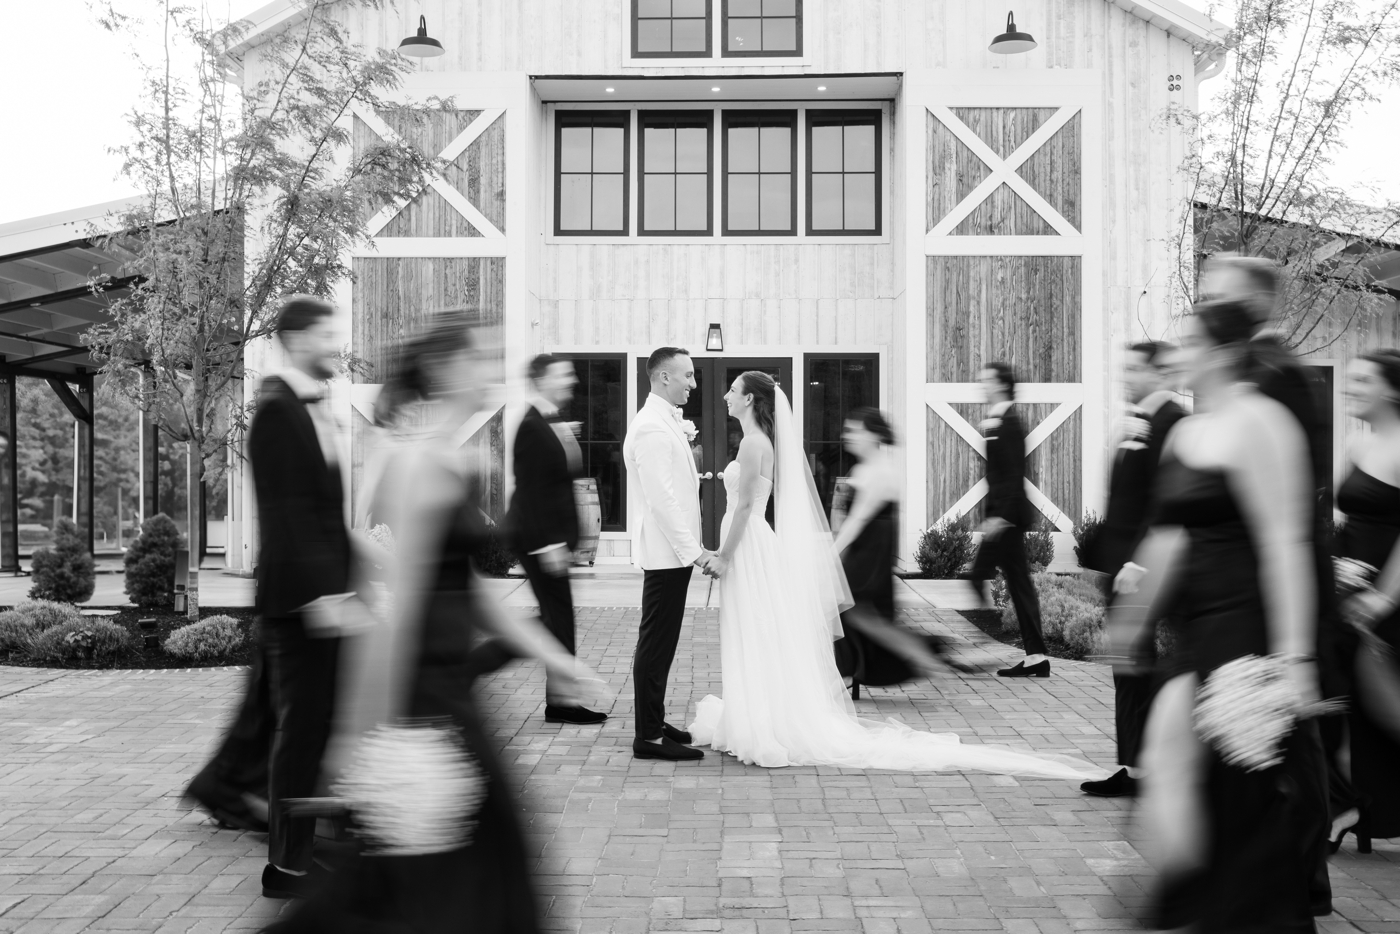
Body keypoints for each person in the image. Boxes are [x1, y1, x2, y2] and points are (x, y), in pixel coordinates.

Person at [264, 311, 606, 934]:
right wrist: (359, 737)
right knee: (444, 882)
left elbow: (469, 592)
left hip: (453, 695)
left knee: (466, 875)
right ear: (448, 370)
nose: (495, 369)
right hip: (422, 703)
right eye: (483, 357)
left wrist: (559, 660)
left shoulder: (454, 461)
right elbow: (391, 612)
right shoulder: (416, 465)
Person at [686, 370, 1107, 780]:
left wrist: (724, 554)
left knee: (759, 628)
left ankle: (788, 709)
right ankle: (775, 708)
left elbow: (745, 508)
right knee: (763, 628)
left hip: (755, 544)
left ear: (750, 400)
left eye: (732, 389)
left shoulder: (753, 445)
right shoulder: (764, 444)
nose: (725, 395)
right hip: (760, 543)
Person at [1129, 299, 1327, 932]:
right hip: (1195, 626)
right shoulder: (1188, 431)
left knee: (1231, 781)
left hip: (1247, 626)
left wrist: (1294, 658)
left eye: (1187, 342)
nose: (1177, 353)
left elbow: (1285, 543)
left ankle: (1233, 908)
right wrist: (1131, 613)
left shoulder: (1262, 423)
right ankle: (1199, 902)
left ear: (1220, 352)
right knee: (1167, 763)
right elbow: (1169, 535)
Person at [184, 295, 354, 899]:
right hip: (298, 606)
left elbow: (325, 516)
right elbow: (287, 516)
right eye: (328, 334)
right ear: (298, 339)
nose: (337, 344)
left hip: (324, 599)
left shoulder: (314, 407)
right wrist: (321, 598)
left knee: (309, 730)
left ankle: (301, 843)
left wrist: (358, 579)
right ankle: (287, 869)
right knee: (300, 736)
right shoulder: (278, 412)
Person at [1080, 343, 1186, 798]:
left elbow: (1168, 498)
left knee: (1147, 667)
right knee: (1129, 666)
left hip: (1146, 567)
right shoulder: (1138, 421)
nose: (1126, 376)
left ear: (1159, 372)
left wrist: (1139, 561)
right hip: (1121, 565)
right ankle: (1133, 766)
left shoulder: (1173, 423)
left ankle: (1155, 765)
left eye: (1135, 369)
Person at [831, 408, 965, 697]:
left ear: (875, 434)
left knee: (859, 615)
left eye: (855, 430)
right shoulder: (861, 470)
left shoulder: (882, 471)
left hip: (869, 561)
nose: (848, 436)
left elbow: (859, 520)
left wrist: (832, 554)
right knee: (854, 616)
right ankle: (850, 671)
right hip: (860, 555)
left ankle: (921, 656)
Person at [622, 347, 714, 761]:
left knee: (663, 640)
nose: (693, 385)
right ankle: (649, 738)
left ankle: (655, 722)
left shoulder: (664, 421)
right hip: (665, 554)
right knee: (656, 643)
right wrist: (693, 552)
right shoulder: (651, 429)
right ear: (663, 378)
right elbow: (662, 500)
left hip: (671, 554)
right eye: (688, 376)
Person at [507, 354, 607, 726]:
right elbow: (531, 490)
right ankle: (559, 701)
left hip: (548, 539)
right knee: (556, 620)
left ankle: (561, 701)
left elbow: (559, 477)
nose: (571, 381)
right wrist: (549, 544)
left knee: (559, 618)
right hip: (539, 539)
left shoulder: (551, 422)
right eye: (562, 375)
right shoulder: (532, 425)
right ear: (541, 380)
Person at [1330, 350, 1400, 851]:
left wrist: (1382, 598)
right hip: (1349, 587)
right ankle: (1348, 805)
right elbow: (1349, 521)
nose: (1349, 386)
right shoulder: (1357, 441)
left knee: (1386, 709)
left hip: (1389, 595)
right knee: (1344, 703)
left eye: (1362, 380)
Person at [965, 362, 1048, 678]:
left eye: (986, 380)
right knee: (1017, 584)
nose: (981, 385)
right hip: (1004, 516)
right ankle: (1036, 657)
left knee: (979, 577)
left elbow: (1014, 474)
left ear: (1001, 384)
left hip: (1007, 518)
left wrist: (999, 518)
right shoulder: (998, 419)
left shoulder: (1009, 422)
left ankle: (979, 644)